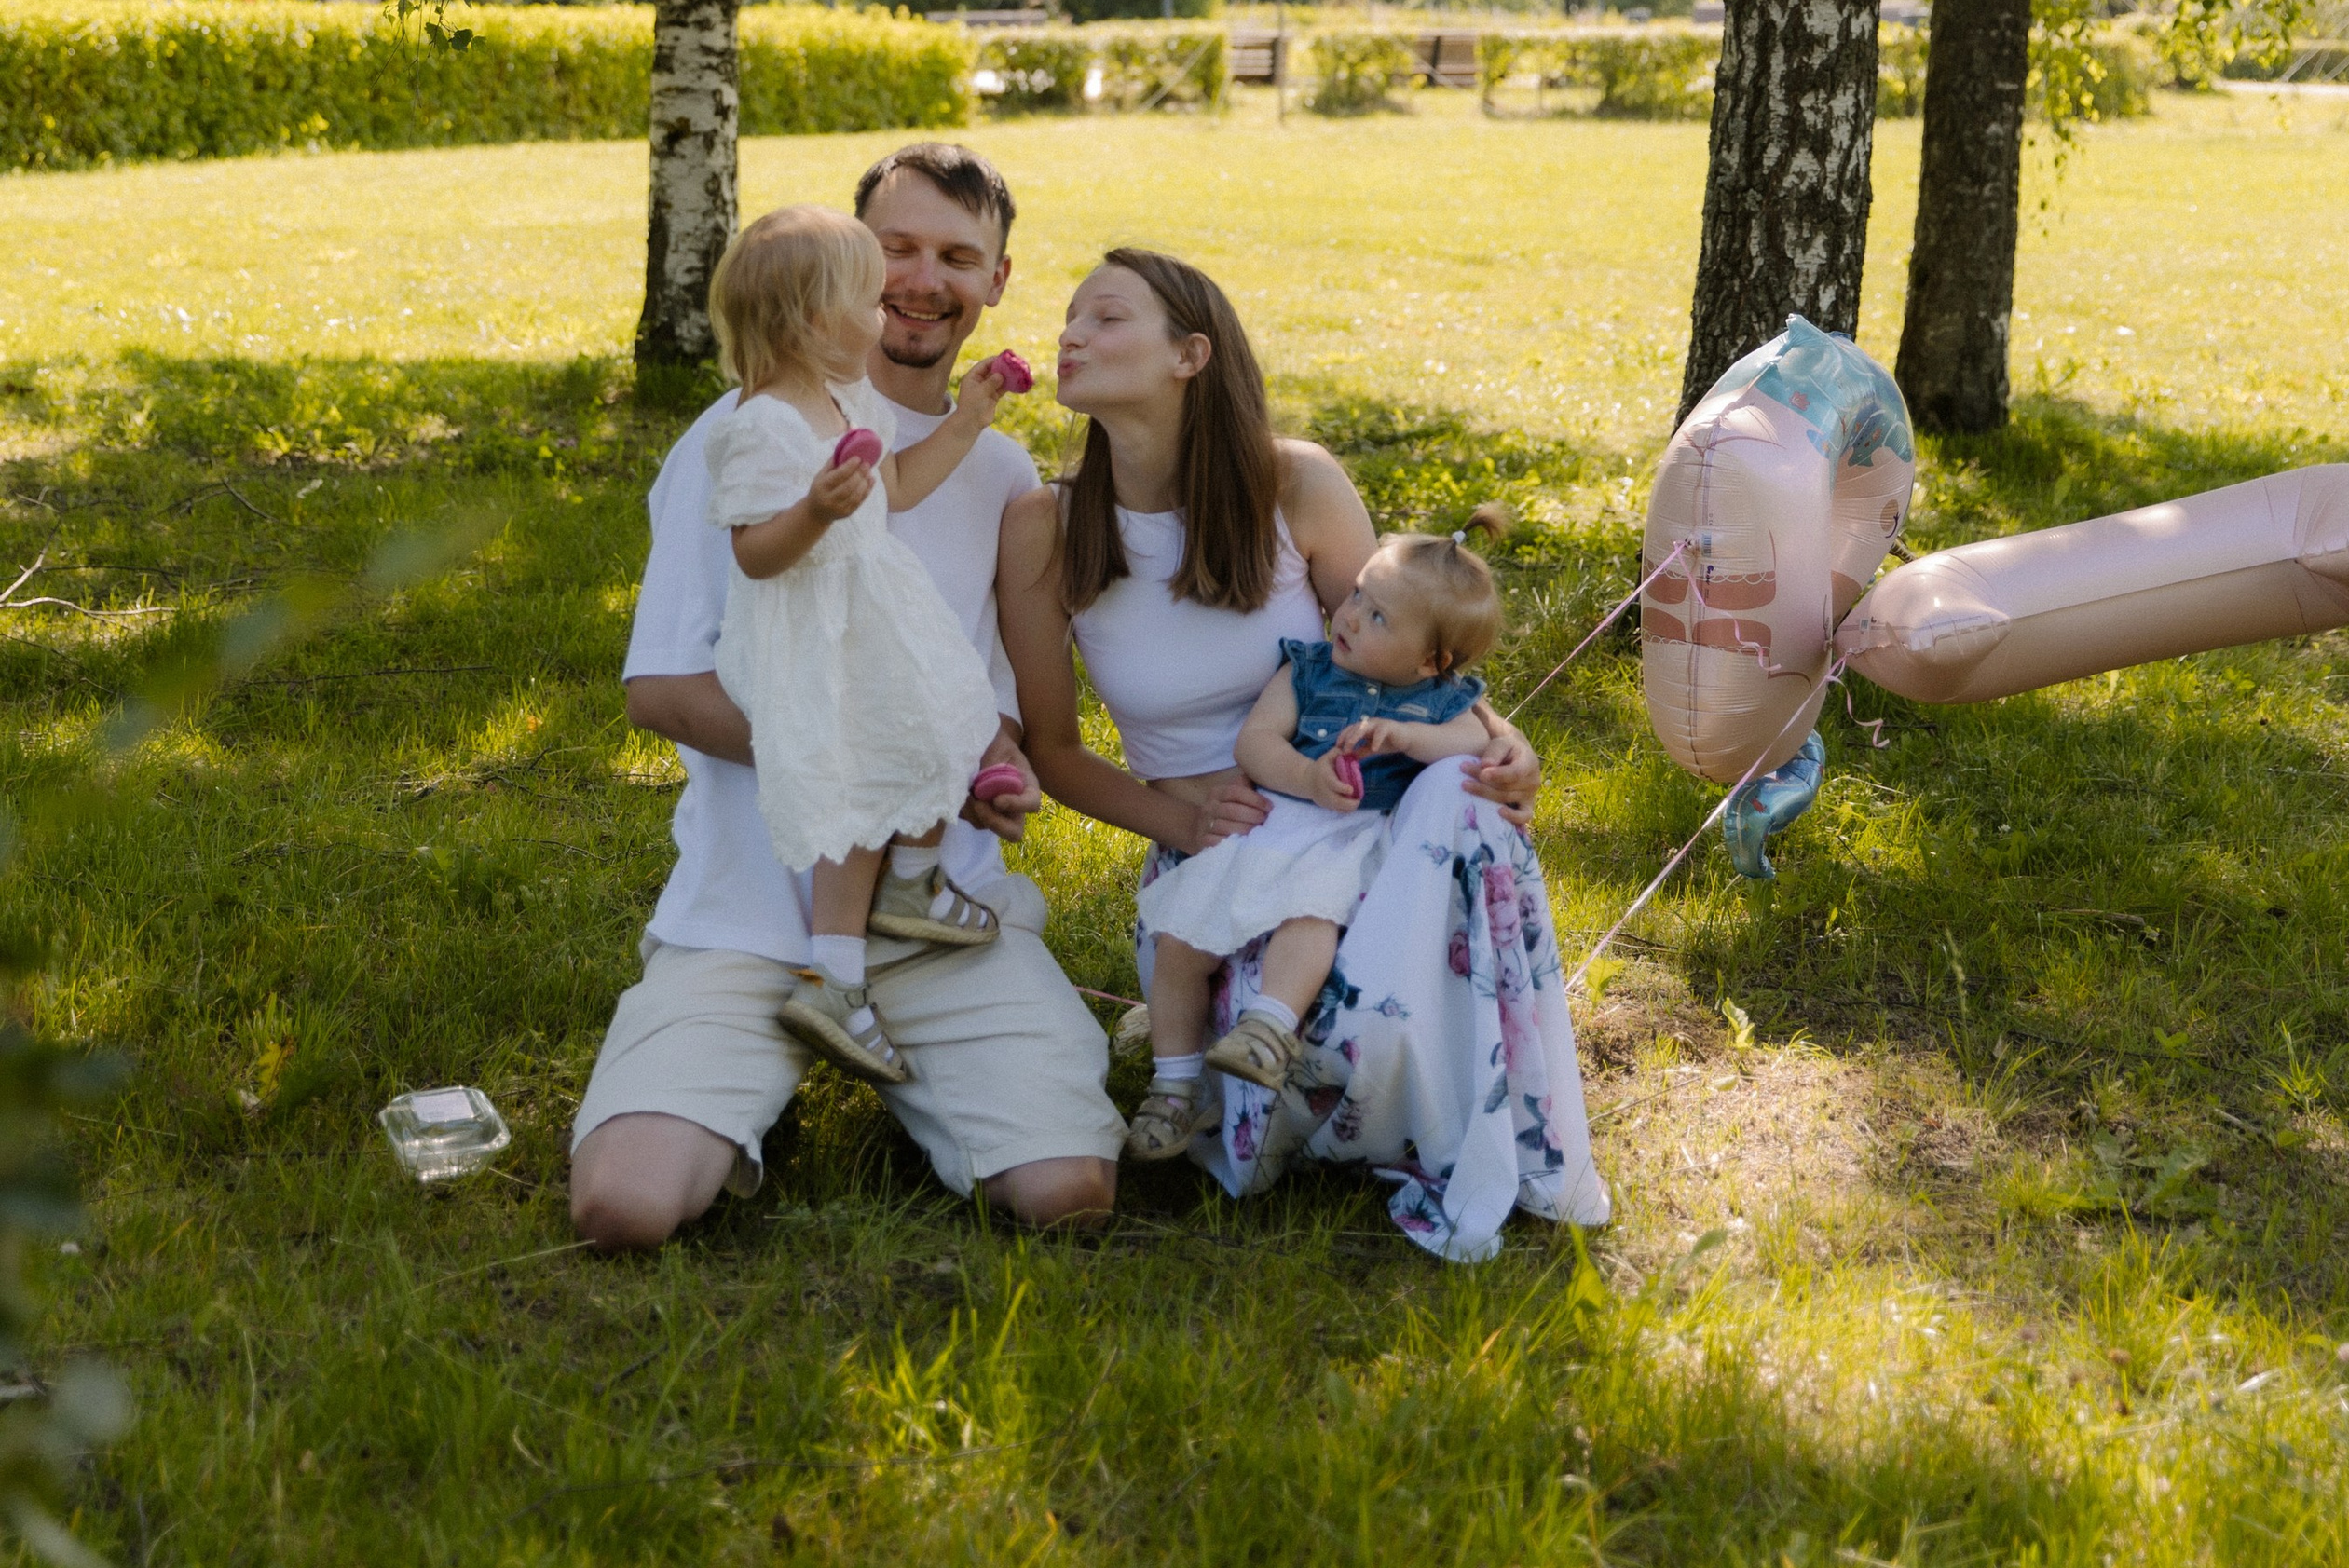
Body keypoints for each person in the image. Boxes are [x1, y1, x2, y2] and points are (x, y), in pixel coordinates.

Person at [999, 248, 1607, 1261]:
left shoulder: (1295, 485)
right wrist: (1185, 821)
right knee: (1311, 1054)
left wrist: (1510, 746)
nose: (1071, 334)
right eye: (1070, 317)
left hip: (1362, 833)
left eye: (1105, 317)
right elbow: (1054, 751)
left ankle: (1502, 1107)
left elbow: (1405, 655)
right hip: (1218, 864)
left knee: (1464, 792)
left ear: (1191, 355)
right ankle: (1260, 1061)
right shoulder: (1046, 527)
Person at [570, 145, 1124, 1248]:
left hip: (933, 915)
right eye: (895, 250)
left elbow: (986, 708)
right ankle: (761, 1061)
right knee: (624, 1206)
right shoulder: (742, 437)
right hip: (747, 920)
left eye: (956, 257)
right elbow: (662, 693)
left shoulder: (1000, 475)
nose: (920, 281)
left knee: (1067, 1193)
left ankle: (904, 1039)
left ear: (997, 280)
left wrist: (991, 770)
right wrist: (874, 752)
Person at [703, 203, 1020, 1086]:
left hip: (874, 611)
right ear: (814, 320)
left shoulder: (848, 396)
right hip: (814, 631)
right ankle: (834, 974)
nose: (885, 317)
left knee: (946, 719)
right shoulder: (761, 425)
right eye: (870, 302)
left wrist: (970, 415)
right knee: (862, 775)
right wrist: (814, 509)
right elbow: (753, 554)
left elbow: (900, 486)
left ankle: (912, 877)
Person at [1131, 521, 1503, 1150]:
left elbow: (1474, 740)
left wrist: (1408, 737)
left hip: (1347, 840)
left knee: (1312, 916)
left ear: (1431, 661)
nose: (1350, 616)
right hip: (1274, 823)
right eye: (1358, 594)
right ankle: (1173, 1088)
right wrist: (1307, 776)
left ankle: (1269, 1028)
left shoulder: (1441, 700)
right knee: (1181, 941)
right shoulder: (1306, 670)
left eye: (1378, 617)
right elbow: (1256, 741)